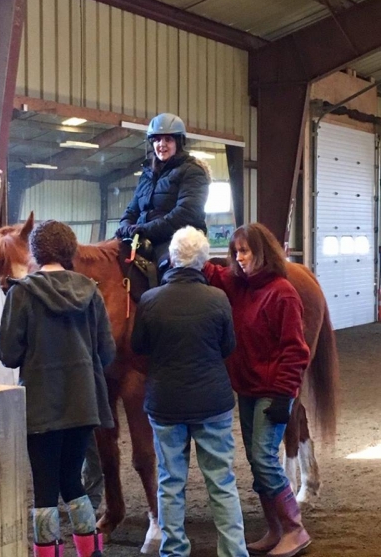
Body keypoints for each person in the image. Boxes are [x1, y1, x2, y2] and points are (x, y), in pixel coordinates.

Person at [0, 220, 115, 557]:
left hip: (41, 406)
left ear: (34, 252)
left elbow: (8, 353)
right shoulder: (90, 292)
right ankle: (91, 552)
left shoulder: (21, 293)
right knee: (72, 481)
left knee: (45, 488)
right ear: (69, 251)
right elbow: (106, 352)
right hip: (83, 403)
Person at [131, 226, 249, 557]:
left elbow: (139, 346)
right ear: (202, 262)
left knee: (170, 483)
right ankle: (234, 551)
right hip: (212, 402)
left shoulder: (150, 300)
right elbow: (228, 346)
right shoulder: (218, 299)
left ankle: (174, 551)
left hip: (165, 402)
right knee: (222, 483)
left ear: (170, 259)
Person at [203, 223, 311, 557]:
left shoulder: (283, 293)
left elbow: (296, 350)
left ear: (261, 252)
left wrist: (284, 394)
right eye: (235, 252)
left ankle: (295, 529)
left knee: (264, 459)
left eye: (245, 251)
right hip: (248, 389)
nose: (239, 258)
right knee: (255, 458)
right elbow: (212, 272)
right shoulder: (240, 286)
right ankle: (275, 528)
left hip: (273, 391)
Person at [116, 112, 210, 271]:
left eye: (168, 139)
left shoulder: (192, 171)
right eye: (157, 139)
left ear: (179, 142)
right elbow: (132, 210)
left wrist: (145, 230)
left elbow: (185, 213)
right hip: (142, 236)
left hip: (175, 239)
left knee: (170, 269)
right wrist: (125, 227)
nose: (162, 144)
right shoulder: (147, 174)